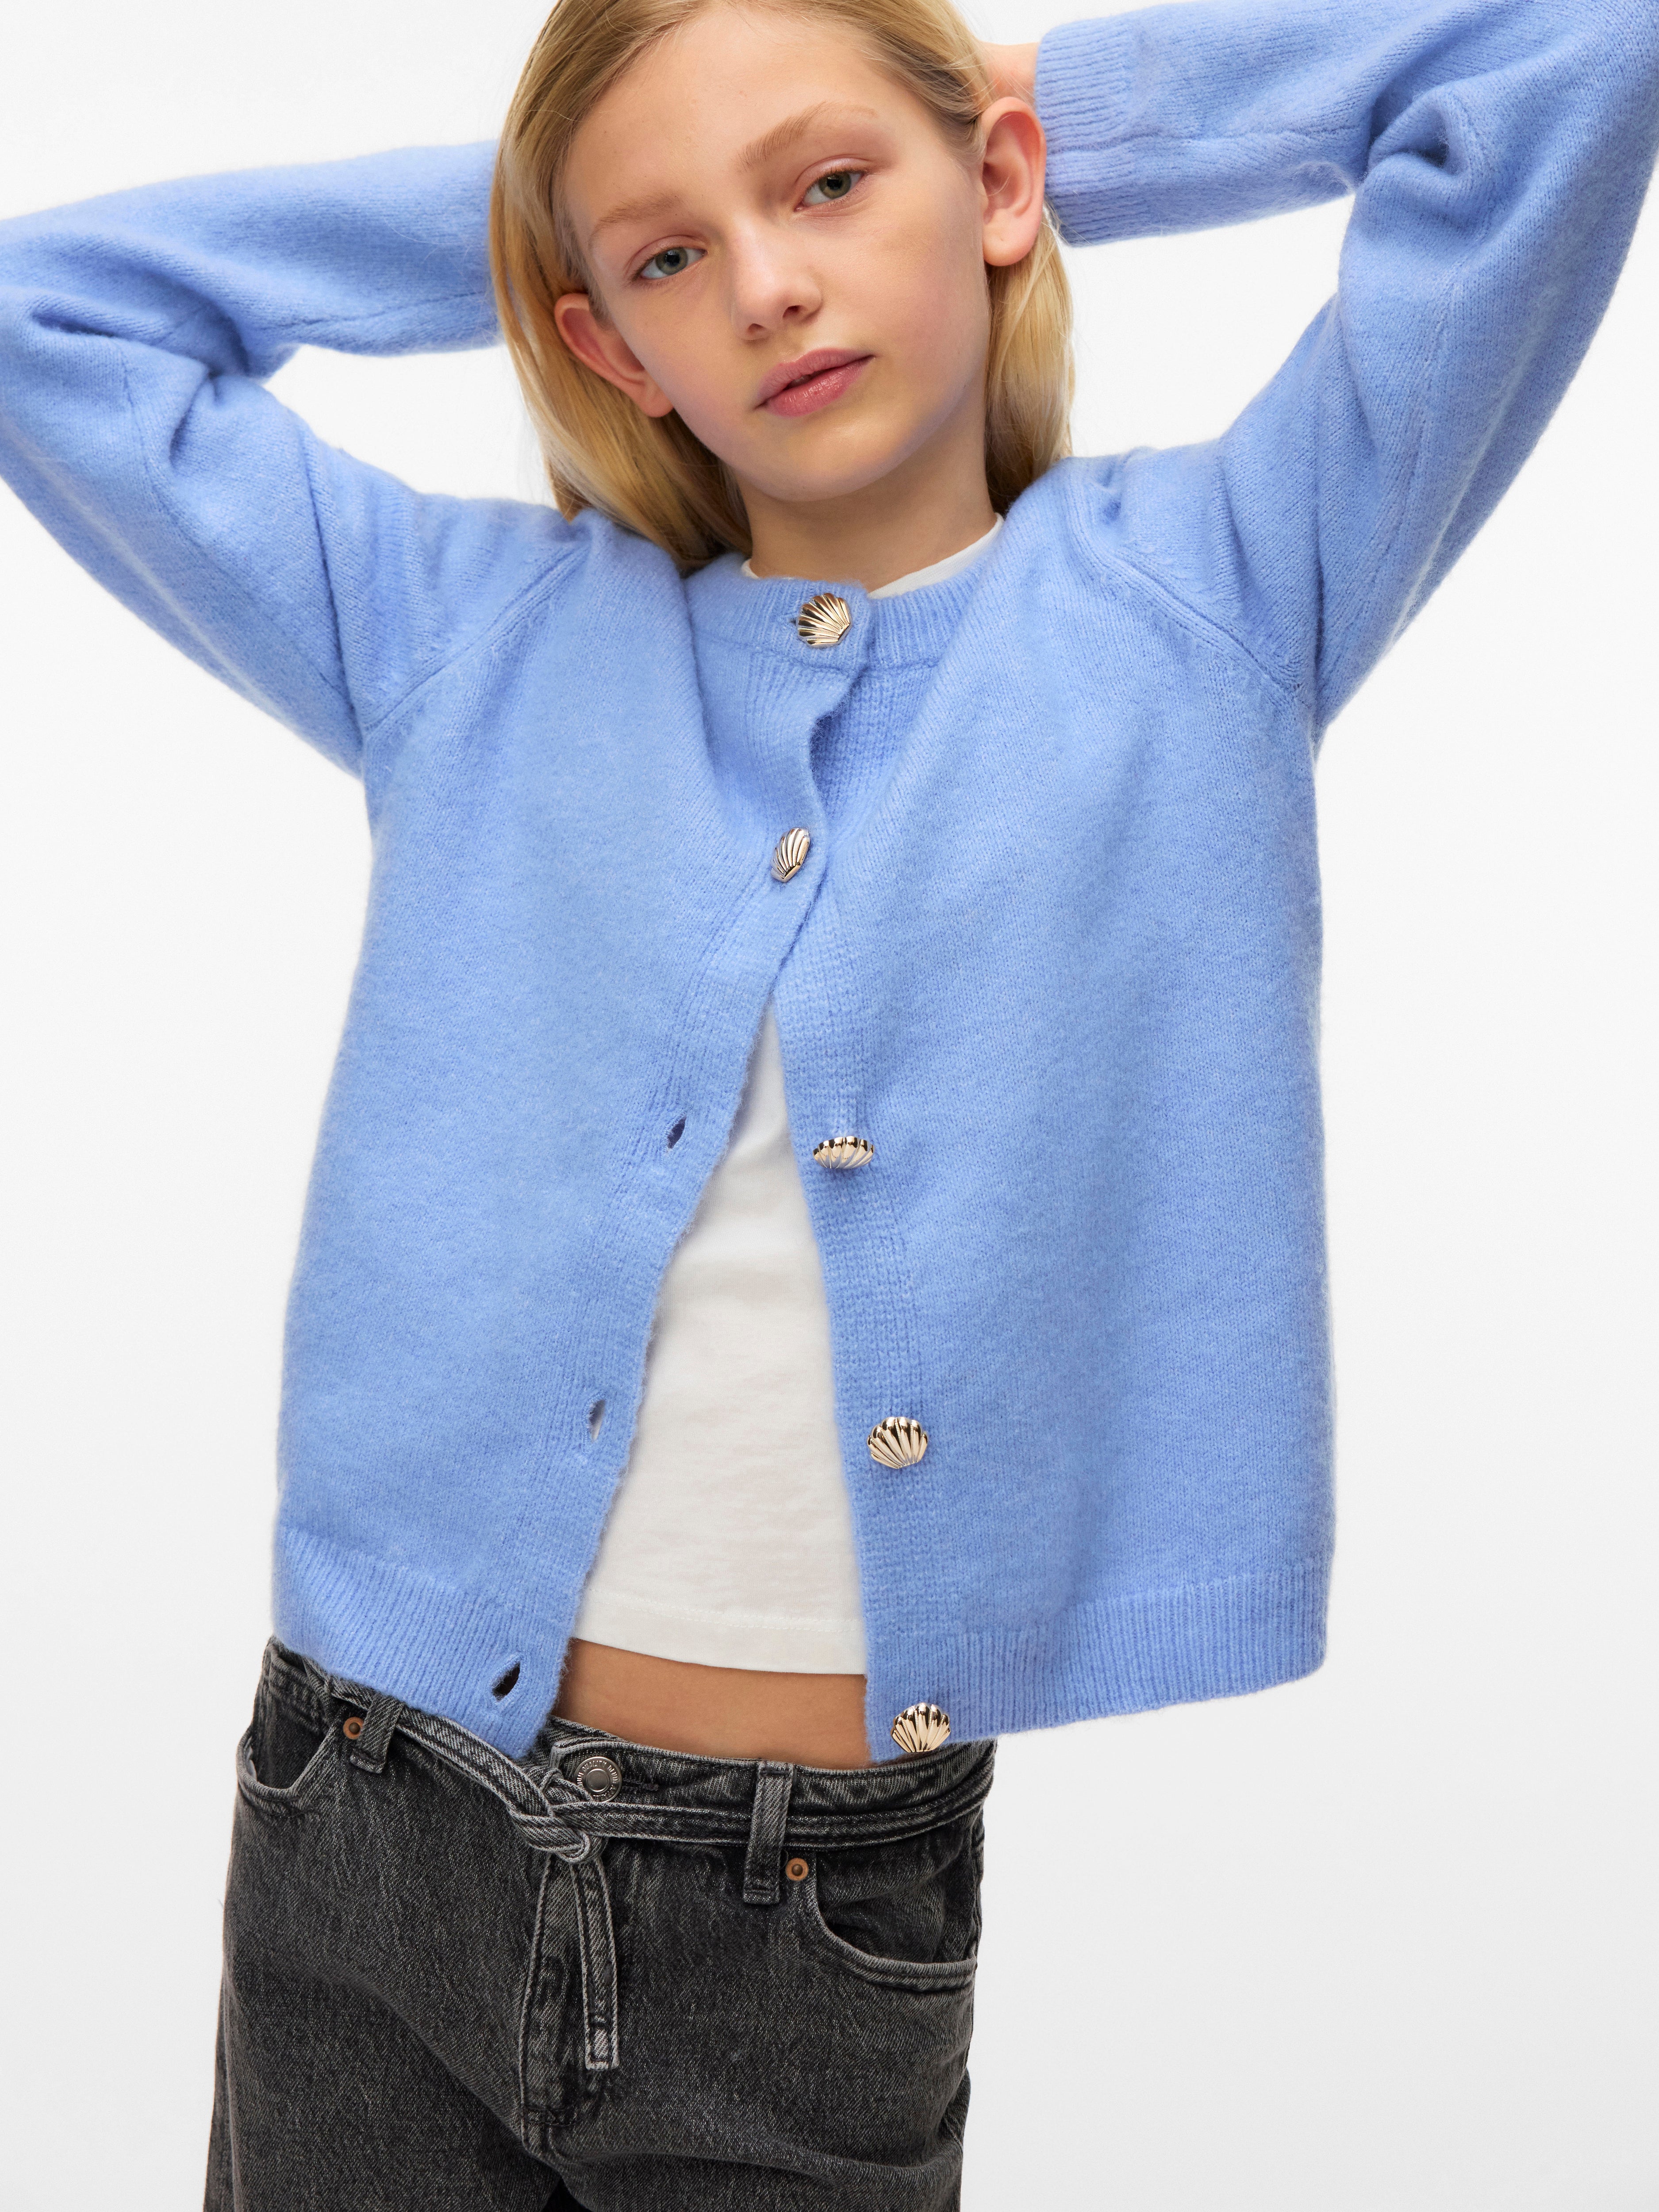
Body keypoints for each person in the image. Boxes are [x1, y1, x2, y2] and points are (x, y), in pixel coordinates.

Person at [1, 0, 1653, 2203]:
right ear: (600, 342)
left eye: (828, 187)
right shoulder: (467, 636)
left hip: (809, 1900)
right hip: (362, 1803)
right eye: (669, 260)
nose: (767, 286)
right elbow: (43, 314)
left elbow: (1555, 67)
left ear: (995, 190)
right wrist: (542, 223)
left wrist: (1038, 127)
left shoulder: (1218, 593)